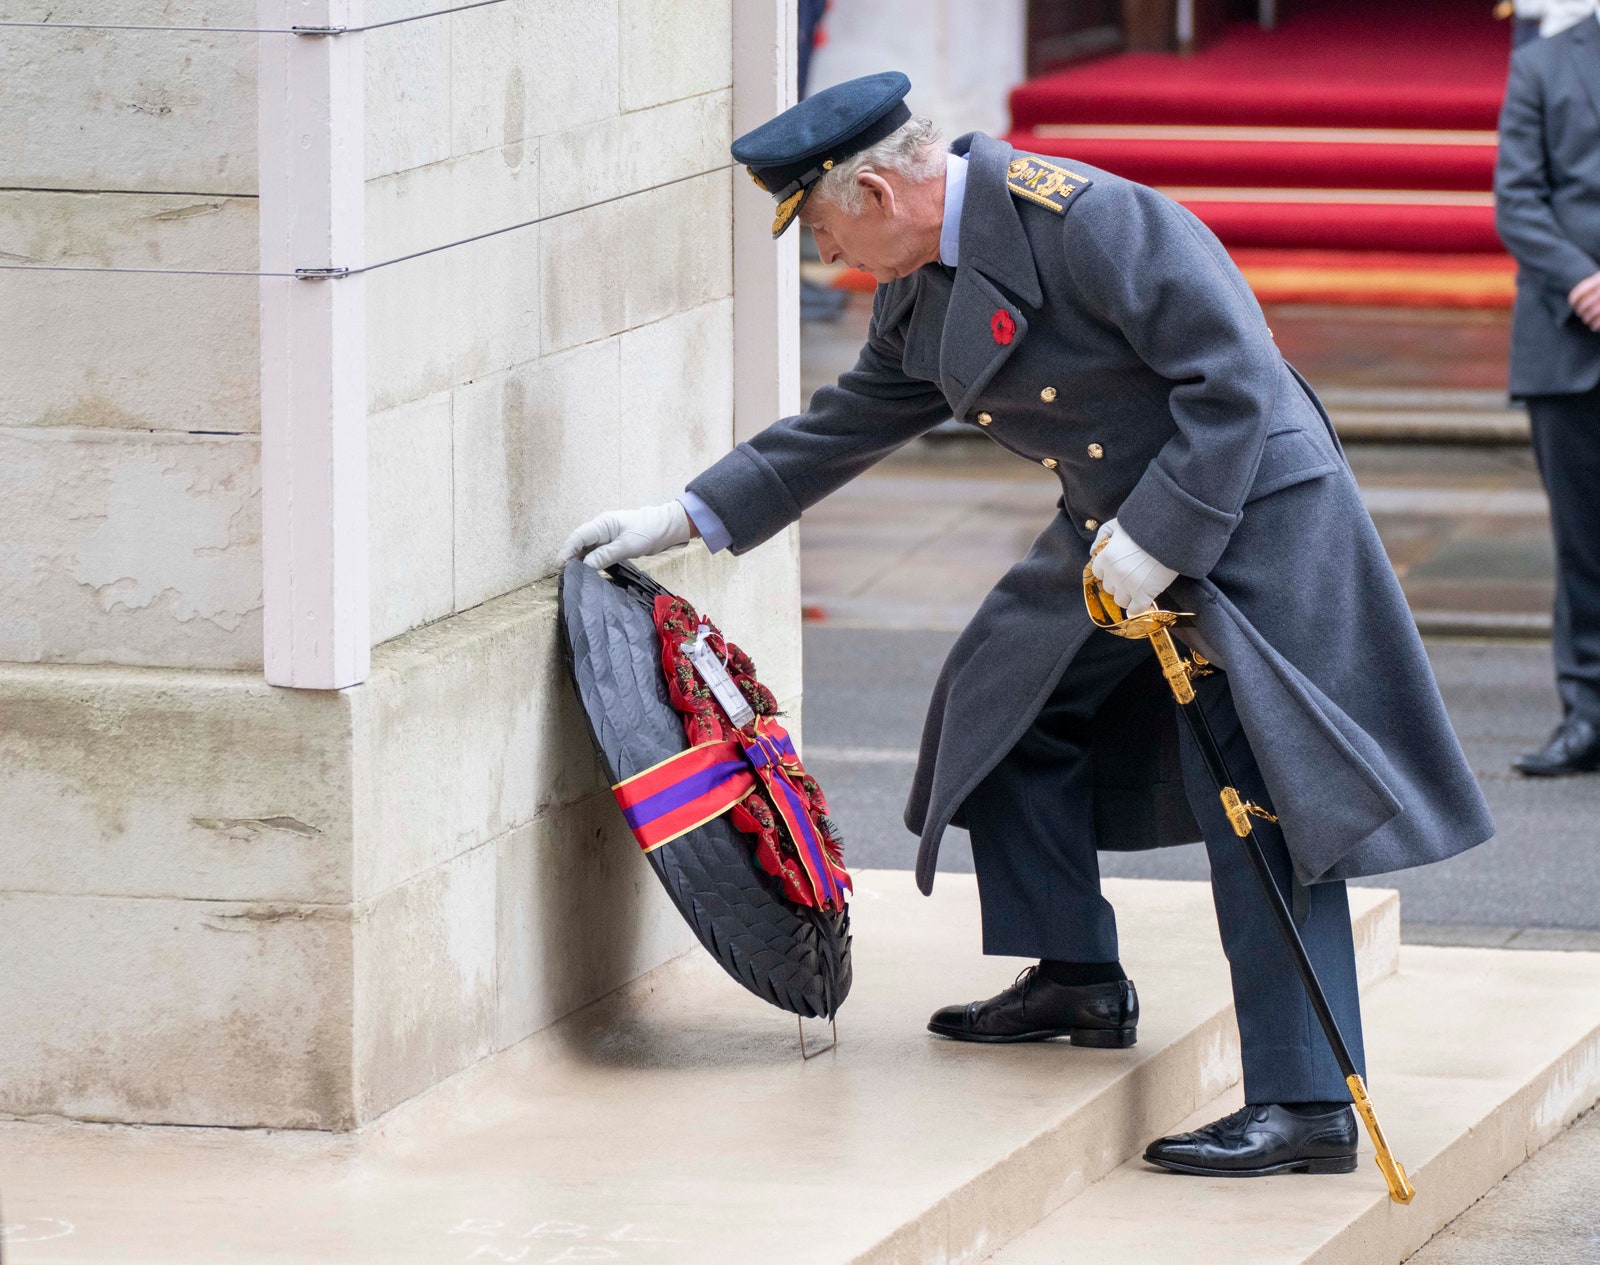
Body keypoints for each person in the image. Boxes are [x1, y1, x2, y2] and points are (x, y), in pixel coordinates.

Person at [560, 72, 1494, 1177]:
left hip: (1242, 514)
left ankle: (1305, 1104)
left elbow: (1235, 381)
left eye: (822, 228)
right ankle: (1078, 976)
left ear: (872, 189)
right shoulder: (921, 283)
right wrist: (687, 514)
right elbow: (847, 422)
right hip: (1112, 527)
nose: (826, 259)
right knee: (1001, 699)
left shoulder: (1089, 219)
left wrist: (1165, 534)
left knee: (1256, 795)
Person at [1496, 12, 1600, 776]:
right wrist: (1582, 281)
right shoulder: (1542, 65)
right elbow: (1518, 199)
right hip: (1568, 339)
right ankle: (1587, 713)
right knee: (1582, 544)